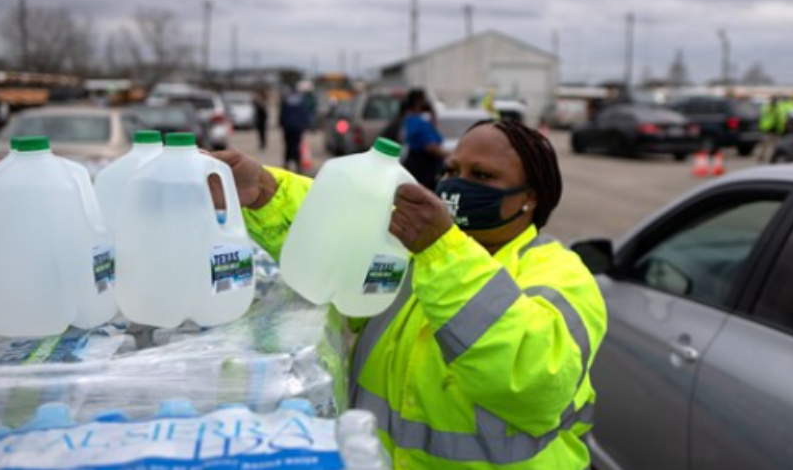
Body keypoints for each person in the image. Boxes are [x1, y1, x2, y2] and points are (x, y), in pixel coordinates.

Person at [211, 119, 607, 469]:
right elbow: (336, 229)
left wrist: (443, 251)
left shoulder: (561, 275)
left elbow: (532, 382)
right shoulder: (415, 254)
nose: (458, 183)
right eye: (451, 169)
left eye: (482, 176)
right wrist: (266, 191)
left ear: (531, 197)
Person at [400, 89, 445, 190]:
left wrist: (433, 116)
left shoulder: (409, 120)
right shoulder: (420, 123)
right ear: (419, 102)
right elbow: (432, 148)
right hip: (425, 169)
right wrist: (451, 155)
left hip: (414, 166)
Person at [279, 81, 313, 173]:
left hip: (288, 127)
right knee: (296, 146)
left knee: (288, 146)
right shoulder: (301, 100)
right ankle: (297, 165)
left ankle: (287, 163)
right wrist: (306, 125)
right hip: (298, 127)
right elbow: (304, 113)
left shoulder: (286, 99)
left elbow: (282, 113)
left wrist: (281, 123)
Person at [757, 95, 789, 163]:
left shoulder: (779, 108)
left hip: (776, 129)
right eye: (773, 100)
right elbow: (762, 117)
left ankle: (773, 158)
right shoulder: (766, 107)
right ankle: (761, 156)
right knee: (764, 144)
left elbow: (781, 119)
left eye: (775, 100)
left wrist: (781, 129)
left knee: (776, 145)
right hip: (767, 129)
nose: (774, 102)